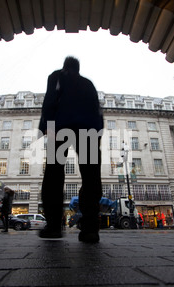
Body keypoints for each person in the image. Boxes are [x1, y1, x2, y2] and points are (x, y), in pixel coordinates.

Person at [38, 56, 104, 243]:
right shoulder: (88, 83)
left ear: (65, 66)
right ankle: (90, 228)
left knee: (54, 174)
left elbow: (50, 100)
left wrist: (45, 126)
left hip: (61, 128)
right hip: (88, 130)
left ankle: (53, 226)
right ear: (78, 68)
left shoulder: (57, 76)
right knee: (91, 177)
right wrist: (98, 132)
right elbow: (98, 108)